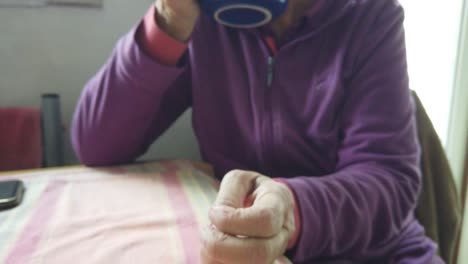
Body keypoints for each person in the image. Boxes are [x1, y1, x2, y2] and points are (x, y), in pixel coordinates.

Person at [71, 0, 443, 263]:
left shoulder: (370, 16)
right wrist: (167, 23)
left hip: (373, 251)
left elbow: (390, 182)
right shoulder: (202, 22)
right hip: (244, 248)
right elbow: (96, 144)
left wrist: (292, 210)